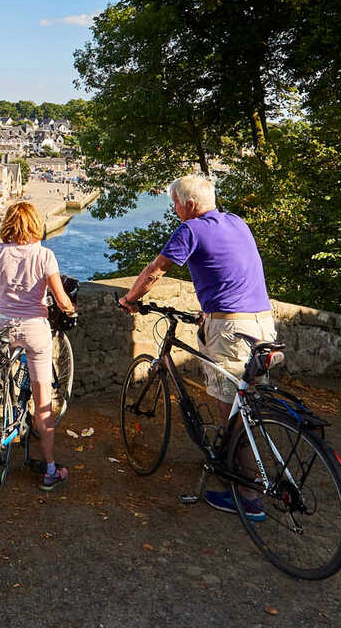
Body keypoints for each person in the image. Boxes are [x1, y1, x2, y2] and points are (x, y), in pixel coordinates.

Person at [119, 172, 275, 521]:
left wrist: (130, 298)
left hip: (232, 327)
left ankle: (250, 495)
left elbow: (156, 271)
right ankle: (238, 468)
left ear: (188, 204)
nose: (175, 210)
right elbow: (230, 271)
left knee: (233, 411)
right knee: (246, 403)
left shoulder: (191, 229)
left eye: (175, 204)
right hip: (261, 321)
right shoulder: (237, 222)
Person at [0, 200, 78, 491]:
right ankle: (49, 469)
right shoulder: (45, 256)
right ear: (36, 224)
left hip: (4, 326)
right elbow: (61, 300)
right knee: (43, 402)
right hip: (35, 330)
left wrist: (9, 292)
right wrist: (71, 310)